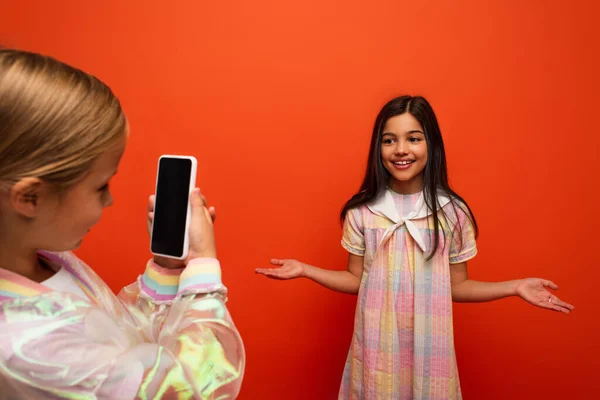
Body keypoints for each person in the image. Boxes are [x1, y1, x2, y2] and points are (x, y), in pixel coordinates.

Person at [256, 95, 574, 400]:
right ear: (378, 148)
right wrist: (305, 270)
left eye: (414, 138)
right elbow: (356, 279)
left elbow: (458, 284)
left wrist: (516, 286)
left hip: (430, 355)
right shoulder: (362, 212)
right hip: (377, 352)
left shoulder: (452, 212)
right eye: (389, 140)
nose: (401, 149)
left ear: (430, 144)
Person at [0, 48, 244, 399]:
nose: (111, 199)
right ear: (30, 198)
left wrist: (166, 267)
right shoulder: (27, 347)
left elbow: (116, 341)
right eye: (101, 186)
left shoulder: (46, 261)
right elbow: (190, 388)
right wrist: (203, 270)